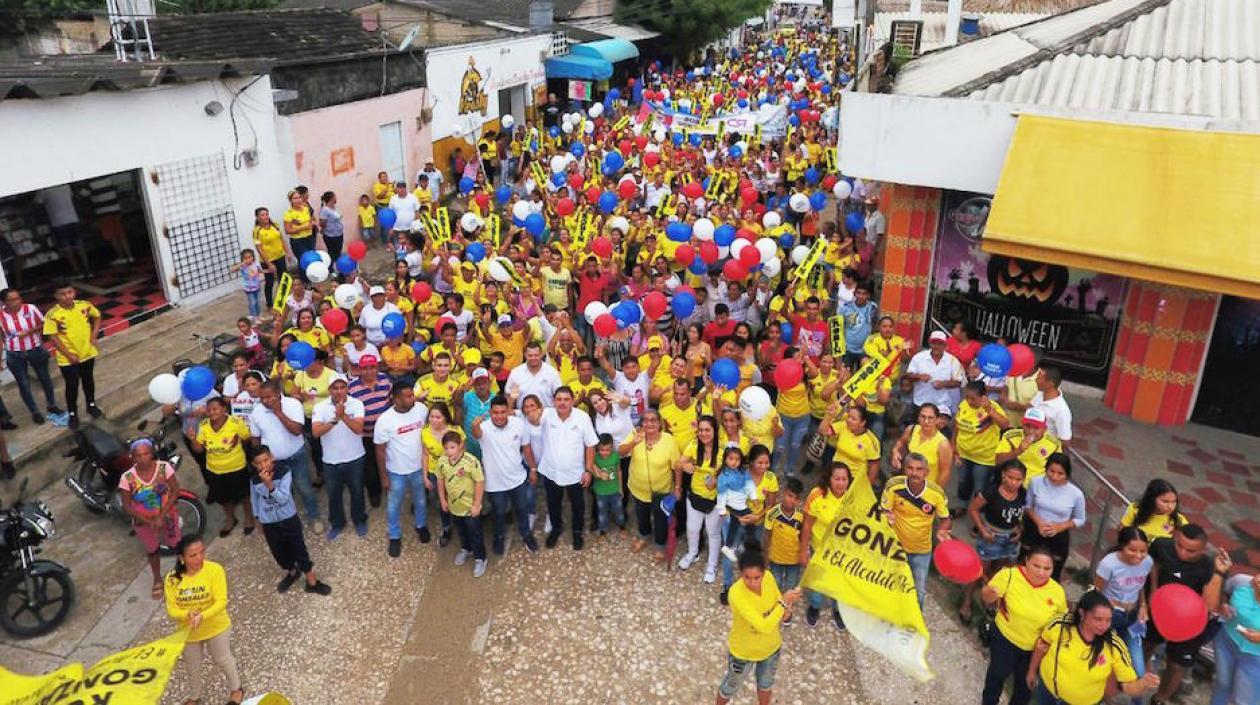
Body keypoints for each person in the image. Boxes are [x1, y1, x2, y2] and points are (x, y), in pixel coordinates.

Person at [1147, 523, 1231, 705]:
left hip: (1190, 625)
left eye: (1191, 551)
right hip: (1159, 611)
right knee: (1146, 645)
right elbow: (1154, 563)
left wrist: (1218, 572)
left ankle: (1160, 699)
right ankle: (1135, 681)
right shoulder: (1162, 545)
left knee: (1176, 666)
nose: (1183, 553)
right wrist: (1153, 588)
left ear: (1203, 549)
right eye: (1180, 545)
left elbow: (1211, 605)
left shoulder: (1210, 566)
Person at [1027, 591, 1160, 704]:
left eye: (1108, 620)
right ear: (1082, 613)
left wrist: (1143, 684)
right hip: (1047, 692)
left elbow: (1128, 686)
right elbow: (1042, 645)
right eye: (1098, 619)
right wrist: (1032, 671)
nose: (1104, 625)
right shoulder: (1060, 625)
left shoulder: (1114, 646)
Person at [715, 538, 801, 705]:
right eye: (748, 578)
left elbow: (779, 607)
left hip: (771, 648)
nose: (753, 582)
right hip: (742, 653)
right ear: (740, 573)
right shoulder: (735, 594)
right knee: (729, 687)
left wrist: (787, 610)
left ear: (764, 572)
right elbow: (763, 625)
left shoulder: (769, 578)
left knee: (765, 685)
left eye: (757, 577)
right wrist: (784, 603)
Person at [980, 547, 1067, 705]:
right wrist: (990, 594)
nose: (1041, 572)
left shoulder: (1057, 592)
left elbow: (1060, 621)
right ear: (1027, 562)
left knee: (1024, 687)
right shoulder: (1009, 575)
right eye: (1036, 566)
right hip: (1005, 639)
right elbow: (987, 597)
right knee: (997, 675)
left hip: (1034, 650)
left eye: (1047, 568)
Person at [164, 534, 243, 705]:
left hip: (216, 626)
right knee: (192, 666)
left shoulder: (215, 570)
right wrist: (187, 615)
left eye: (202, 552)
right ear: (181, 558)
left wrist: (202, 615)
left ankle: (236, 689)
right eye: (193, 555)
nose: (199, 558)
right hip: (189, 630)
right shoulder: (171, 579)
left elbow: (222, 601)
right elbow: (171, 608)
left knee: (222, 658)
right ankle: (195, 696)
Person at [249, 446, 332, 595]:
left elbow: (283, 498)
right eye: (259, 463)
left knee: (299, 550)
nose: (263, 465)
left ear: (272, 457)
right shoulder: (254, 480)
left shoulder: (284, 472)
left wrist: (269, 485)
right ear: (254, 465)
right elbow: (254, 500)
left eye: (266, 460)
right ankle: (293, 572)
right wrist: (258, 519)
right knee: (278, 552)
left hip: (288, 519)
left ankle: (312, 581)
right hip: (269, 523)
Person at [881, 452, 952, 609]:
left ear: (926, 472)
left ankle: (913, 625)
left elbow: (946, 519)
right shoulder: (893, 486)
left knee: (918, 592)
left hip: (922, 551)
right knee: (890, 585)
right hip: (895, 548)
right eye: (910, 468)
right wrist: (886, 517)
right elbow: (884, 510)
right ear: (904, 469)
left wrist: (942, 530)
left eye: (919, 469)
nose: (914, 473)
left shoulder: (937, 494)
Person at [248, 381, 322, 532]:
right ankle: (288, 520)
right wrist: (257, 462)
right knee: (281, 492)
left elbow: (296, 430)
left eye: (269, 397)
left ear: (278, 393)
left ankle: (314, 516)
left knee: (304, 487)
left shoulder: (293, 404)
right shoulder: (256, 413)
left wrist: (278, 412)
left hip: (296, 456)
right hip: (272, 462)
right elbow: (255, 439)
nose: (266, 401)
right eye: (262, 398)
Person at [473, 394, 539, 554]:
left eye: (503, 412)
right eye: (495, 413)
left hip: (518, 478)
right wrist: (474, 425)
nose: (499, 416)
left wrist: (533, 468)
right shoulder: (484, 428)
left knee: (522, 509)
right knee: (499, 512)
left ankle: (526, 534)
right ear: (490, 412)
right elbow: (476, 434)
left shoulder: (518, 424)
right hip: (495, 484)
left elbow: (526, 447)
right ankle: (499, 537)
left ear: (508, 411)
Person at [963, 459, 1027, 623]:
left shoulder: (1023, 493)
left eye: (1018, 479)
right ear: (1003, 475)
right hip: (991, 537)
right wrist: (983, 530)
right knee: (979, 572)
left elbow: (1021, 514)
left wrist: (1020, 529)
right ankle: (967, 601)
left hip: (1011, 540)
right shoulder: (991, 492)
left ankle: (990, 601)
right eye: (1010, 478)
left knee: (1000, 574)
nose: (1014, 482)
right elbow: (973, 509)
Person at [118, 439, 181, 599]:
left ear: (152, 454)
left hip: (167, 515)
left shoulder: (163, 468)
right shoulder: (127, 478)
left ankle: (180, 573)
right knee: (152, 550)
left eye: (146, 453)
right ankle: (157, 579)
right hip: (143, 521)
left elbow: (175, 491)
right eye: (138, 455)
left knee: (177, 545)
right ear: (132, 457)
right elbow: (126, 506)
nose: (143, 458)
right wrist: (150, 522)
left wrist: (161, 516)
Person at [537, 387, 597, 550]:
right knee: (553, 504)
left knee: (578, 505)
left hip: (576, 474)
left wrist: (588, 470)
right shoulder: (546, 415)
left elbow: (590, 445)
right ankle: (556, 529)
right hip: (551, 472)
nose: (562, 403)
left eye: (566, 399)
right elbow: (531, 418)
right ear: (554, 401)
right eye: (559, 399)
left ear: (572, 401)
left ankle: (577, 532)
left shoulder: (582, 417)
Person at [374, 382, 430, 557]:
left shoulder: (421, 409)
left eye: (412, 395)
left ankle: (421, 525)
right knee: (393, 505)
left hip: (418, 468)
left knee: (420, 500)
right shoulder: (384, 420)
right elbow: (380, 451)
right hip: (396, 471)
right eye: (408, 396)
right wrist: (384, 477)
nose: (412, 398)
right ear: (396, 399)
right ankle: (395, 536)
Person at [1093, 526, 1152, 684]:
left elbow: (1141, 586)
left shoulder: (1148, 562)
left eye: (1143, 551)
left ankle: (1136, 698)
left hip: (1133, 618)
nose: (1139, 556)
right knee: (1100, 661)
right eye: (1132, 550)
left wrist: (1143, 605)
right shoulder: (1108, 564)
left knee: (1138, 670)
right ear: (1121, 546)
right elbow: (1095, 591)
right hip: (1111, 617)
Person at [189, 397, 255, 538]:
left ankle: (249, 518)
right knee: (223, 498)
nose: (212, 412)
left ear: (224, 409)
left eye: (215, 409)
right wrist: (193, 439)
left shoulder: (236, 423)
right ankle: (231, 519)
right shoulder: (204, 426)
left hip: (237, 467)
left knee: (244, 495)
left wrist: (237, 443)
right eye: (209, 410)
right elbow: (199, 450)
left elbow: (247, 438)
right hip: (215, 470)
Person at [311, 376, 367, 539]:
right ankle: (337, 523)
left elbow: (358, 429)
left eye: (343, 387)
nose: (339, 391)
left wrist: (343, 416)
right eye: (335, 388)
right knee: (334, 494)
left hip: (355, 457)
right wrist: (335, 419)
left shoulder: (357, 404)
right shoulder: (320, 407)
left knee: (357, 491)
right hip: (330, 460)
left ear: (347, 388)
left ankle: (359, 520)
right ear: (329, 390)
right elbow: (315, 432)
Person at [621, 409, 681, 560]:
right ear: (642, 423)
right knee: (641, 515)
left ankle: (660, 545)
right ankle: (644, 536)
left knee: (660, 520)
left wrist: (678, 488)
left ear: (659, 423)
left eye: (653, 420)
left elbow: (677, 467)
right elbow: (620, 452)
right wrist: (633, 443)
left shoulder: (668, 440)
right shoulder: (635, 435)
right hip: (638, 487)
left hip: (662, 491)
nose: (649, 423)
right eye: (646, 420)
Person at [42, 284, 102, 428]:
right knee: (72, 386)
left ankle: (91, 405)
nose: (68, 296)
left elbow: (98, 316)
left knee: (88, 380)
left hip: (87, 353)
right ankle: (73, 413)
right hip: (67, 359)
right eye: (63, 294)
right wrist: (69, 355)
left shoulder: (84, 305)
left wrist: (94, 336)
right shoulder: (52, 314)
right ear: (56, 296)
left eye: (70, 292)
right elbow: (53, 337)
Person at [0, 287, 62, 424]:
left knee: (45, 379)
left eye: (18, 298)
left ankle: (52, 405)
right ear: (4, 303)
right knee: (24, 385)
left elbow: (44, 324)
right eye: (11, 300)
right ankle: (35, 412)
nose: (16, 302)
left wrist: (29, 331)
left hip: (35, 350)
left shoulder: (31, 309)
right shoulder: (0, 316)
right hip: (14, 354)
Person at [1021, 452, 1085, 582]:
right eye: (1051, 471)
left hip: (1058, 535)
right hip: (1034, 529)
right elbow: (1028, 506)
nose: (1055, 477)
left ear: (1067, 473)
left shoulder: (1076, 494)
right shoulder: (1036, 482)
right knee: (1025, 563)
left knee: (1053, 571)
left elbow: (1080, 519)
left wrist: (1060, 526)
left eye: (1060, 473)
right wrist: (1038, 522)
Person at [676, 416, 723, 583]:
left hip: (715, 500)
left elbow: (731, 471)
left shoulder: (723, 450)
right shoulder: (694, 446)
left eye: (707, 430)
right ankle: (692, 553)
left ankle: (712, 565)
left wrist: (717, 481)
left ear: (714, 431)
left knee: (713, 534)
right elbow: (679, 462)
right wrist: (685, 465)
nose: (703, 433)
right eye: (701, 430)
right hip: (695, 496)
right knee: (692, 529)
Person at [434, 431, 487, 577]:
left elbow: (479, 482)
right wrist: (443, 500)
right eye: (446, 448)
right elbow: (440, 480)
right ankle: (466, 549)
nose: (449, 451)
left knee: (475, 533)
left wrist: (477, 504)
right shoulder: (442, 462)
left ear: (460, 446)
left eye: (452, 447)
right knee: (461, 530)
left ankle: (480, 558)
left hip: (470, 507)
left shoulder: (471, 461)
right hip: (454, 506)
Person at [954, 380, 1011, 506]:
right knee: (963, 481)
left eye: (973, 399)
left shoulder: (993, 407)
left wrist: (989, 410)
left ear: (983, 397)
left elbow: (1005, 425)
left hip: (984, 459)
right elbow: (957, 426)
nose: (969, 401)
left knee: (980, 487)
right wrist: (954, 447)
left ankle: (978, 512)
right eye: (966, 397)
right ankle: (961, 506)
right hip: (963, 454)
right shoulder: (963, 405)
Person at [347, 354, 391, 507]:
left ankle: (389, 485)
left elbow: (391, 401)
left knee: (388, 460)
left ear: (377, 367)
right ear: (359, 370)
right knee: (369, 466)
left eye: (372, 367)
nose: (369, 371)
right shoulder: (352, 388)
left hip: (386, 434)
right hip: (366, 435)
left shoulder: (385, 380)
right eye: (365, 368)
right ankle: (374, 493)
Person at [1212, 571, 1260, 705]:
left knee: (1245, 701)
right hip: (1226, 643)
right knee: (1222, 685)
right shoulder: (1241, 581)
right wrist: (1224, 605)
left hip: (1256, 658)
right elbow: (1224, 592)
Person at [892, 402, 954, 487]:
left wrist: (935, 493)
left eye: (930, 418)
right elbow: (900, 442)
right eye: (923, 417)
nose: (926, 421)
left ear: (937, 420)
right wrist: (895, 451)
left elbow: (945, 473)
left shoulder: (943, 444)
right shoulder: (911, 430)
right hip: (907, 484)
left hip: (927, 488)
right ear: (918, 418)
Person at [995, 408, 1061, 487]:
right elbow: (998, 460)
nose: (1031, 431)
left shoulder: (1054, 444)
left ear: (1044, 429)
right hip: (1013, 484)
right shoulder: (1010, 436)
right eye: (1027, 426)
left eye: (1036, 427)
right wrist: (1018, 451)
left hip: (1038, 487)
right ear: (1022, 425)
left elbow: (1057, 469)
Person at [764, 477, 805, 599]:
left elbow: (803, 538)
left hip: (794, 560)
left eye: (796, 498)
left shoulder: (801, 517)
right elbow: (767, 537)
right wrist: (765, 557)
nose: (792, 500)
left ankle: (786, 608)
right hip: (775, 558)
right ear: (783, 493)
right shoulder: (772, 514)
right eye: (789, 495)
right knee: (774, 585)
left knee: (790, 588)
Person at [1119, 478, 1185, 541]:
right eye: (1165, 502)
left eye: (1174, 502)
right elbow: (1122, 530)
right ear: (1152, 498)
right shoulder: (1135, 509)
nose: (1170, 506)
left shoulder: (1177, 518)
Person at [506, 342, 562, 409]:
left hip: (547, 415)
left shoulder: (552, 372)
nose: (533, 358)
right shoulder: (516, 373)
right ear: (525, 355)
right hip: (522, 416)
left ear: (541, 355)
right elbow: (511, 397)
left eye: (536, 355)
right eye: (530, 355)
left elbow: (559, 396)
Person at [592, 434, 625, 535]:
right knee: (602, 512)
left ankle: (622, 526)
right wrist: (598, 473)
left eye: (607, 450)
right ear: (598, 448)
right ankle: (603, 529)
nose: (604, 453)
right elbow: (590, 467)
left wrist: (620, 487)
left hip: (614, 490)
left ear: (612, 447)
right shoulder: (595, 458)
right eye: (602, 450)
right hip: (600, 492)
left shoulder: (615, 456)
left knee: (618, 509)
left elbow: (619, 471)